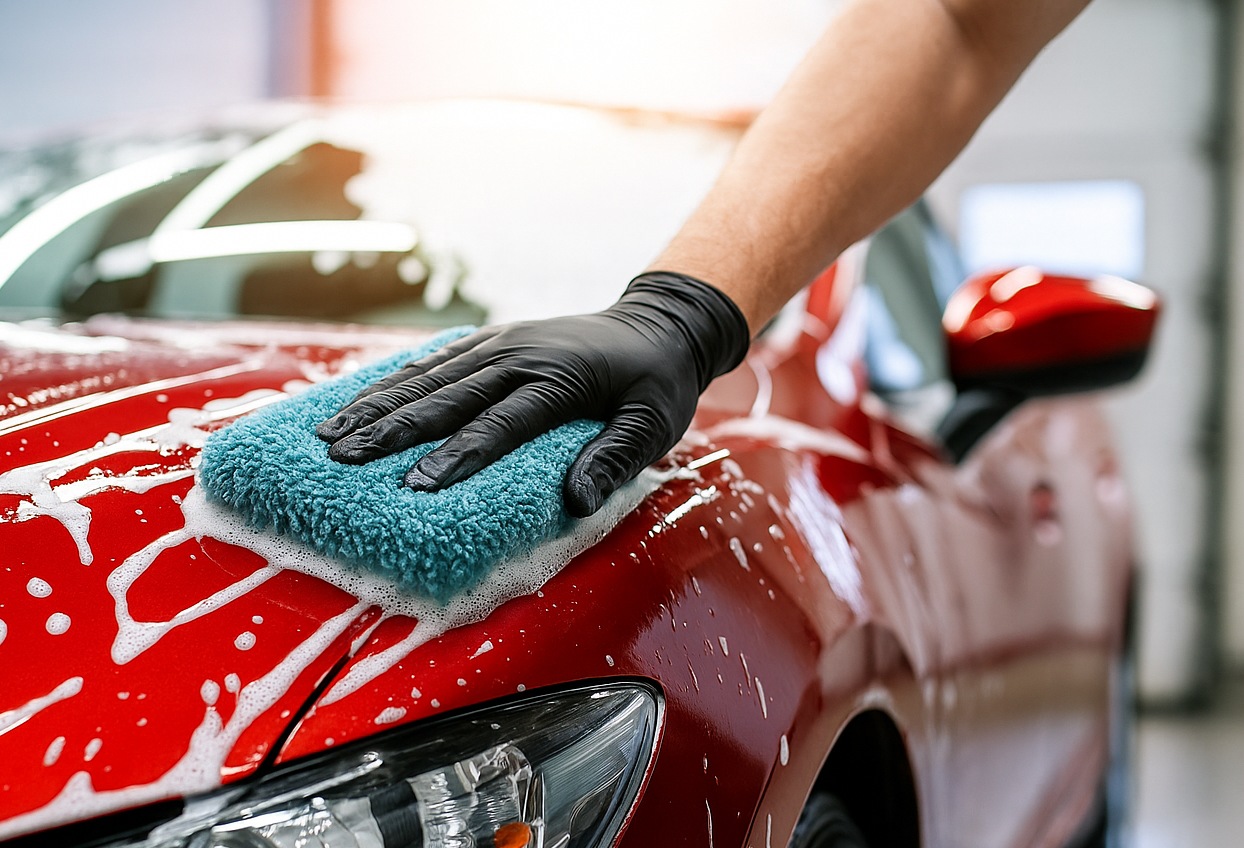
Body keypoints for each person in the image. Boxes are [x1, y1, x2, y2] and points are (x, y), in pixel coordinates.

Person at [315, 0, 1094, 516]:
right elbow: (956, 16)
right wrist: (678, 308)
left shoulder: (775, 457)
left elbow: (961, 28)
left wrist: (683, 316)